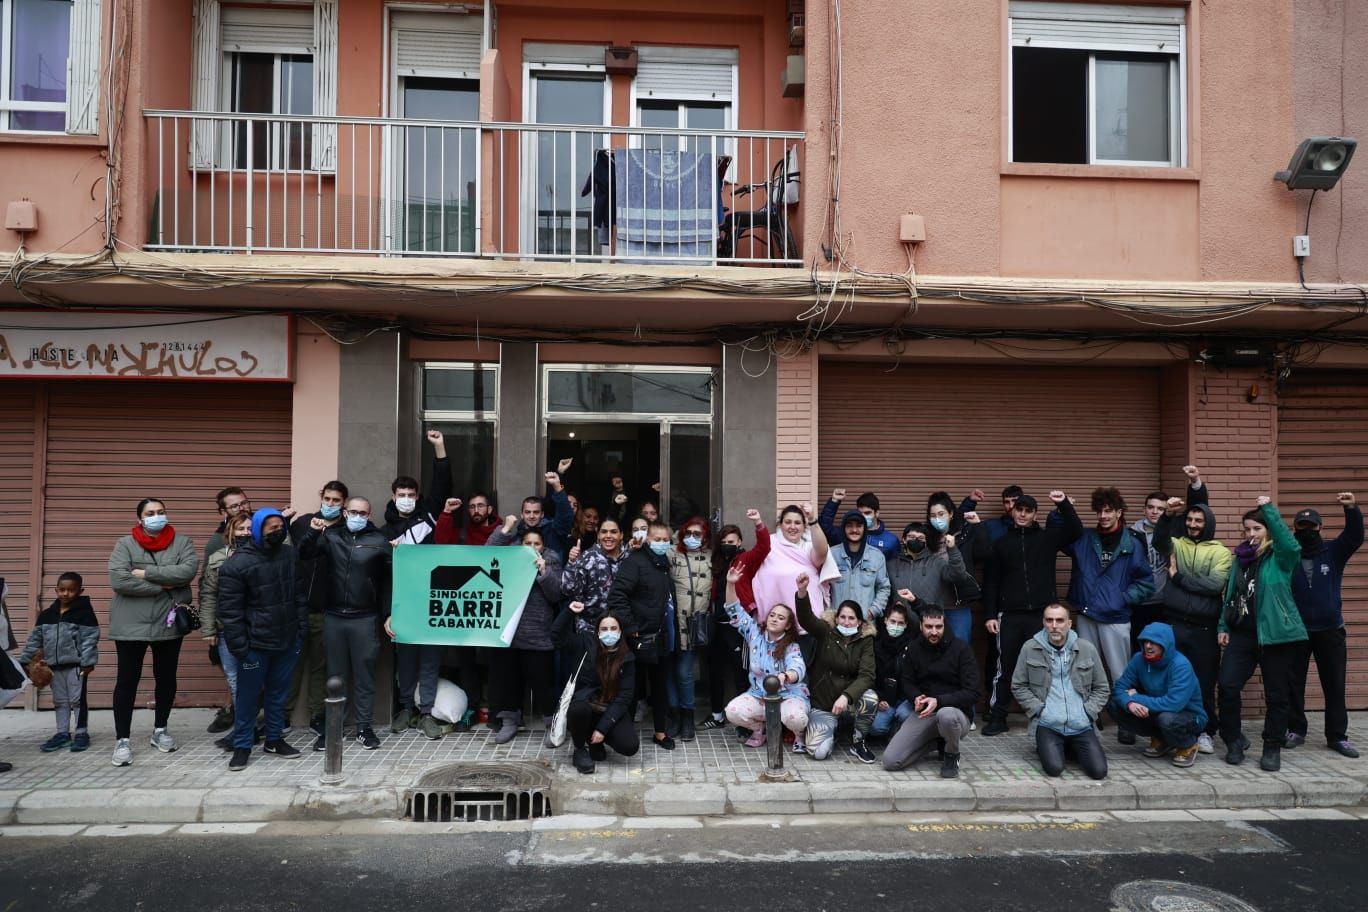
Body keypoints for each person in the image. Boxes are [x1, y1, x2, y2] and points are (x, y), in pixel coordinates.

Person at [1218, 496, 1308, 771]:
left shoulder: (1281, 557)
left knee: (1277, 695)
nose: (1251, 534)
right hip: (1243, 634)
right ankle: (1233, 740)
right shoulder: (1240, 559)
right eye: (1247, 529)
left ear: (1267, 529)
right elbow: (1231, 595)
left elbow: (1291, 543)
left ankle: (1272, 747)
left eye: (1257, 529)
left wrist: (1270, 511)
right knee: (1228, 685)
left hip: (1276, 635)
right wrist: (1223, 625)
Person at [982, 490, 1081, 736]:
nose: (1023, 514)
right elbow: (991, 582)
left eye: (1028, 511)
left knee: (1046, 665)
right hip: (1010, 615)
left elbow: (1076, 530)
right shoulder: (1001, 544)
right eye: (1019, 510)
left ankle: (1048, 714)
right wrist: (990, 615)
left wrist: (1063, 504)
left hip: (1042, 615)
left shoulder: (1047, 538)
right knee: (1004, 667)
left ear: (1035, 514)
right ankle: (998, 715)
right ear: (1013, 512)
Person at [107, 497, 198, 767]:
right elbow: (119, 580)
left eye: (160, 512)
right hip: (129, 624)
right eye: (150, 513)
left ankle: (161, 730)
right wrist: (164, 586)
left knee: (166, 678)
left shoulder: (182, 542)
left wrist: (144, 573)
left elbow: (187, 571)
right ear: (140, 518)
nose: (156, 516)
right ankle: (122, 739)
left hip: (167, 622)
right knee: (127, 681)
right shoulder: (125, 543)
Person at [298, 496, 393, 751]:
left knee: (364, 675)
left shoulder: (379, 541)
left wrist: (388, 613)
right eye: (353, 512)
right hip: (334, 617)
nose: (357, 516)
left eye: (362, 513)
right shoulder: (331, 536)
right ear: (345, 512)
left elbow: (388, 583)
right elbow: (304, 554)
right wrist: (312, 532)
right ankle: (333, 729)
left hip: (365, 618)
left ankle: (364, 727)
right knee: (335, 676)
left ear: (369, 515)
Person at [218, 508, 307, 770]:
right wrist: (240, 648)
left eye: (281, 526)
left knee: (278, 695)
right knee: (247, 698)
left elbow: (299, 596)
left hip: (287, 641)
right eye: (272, 527)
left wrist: (300, 633)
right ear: (258, 529)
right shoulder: (236, 564)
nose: (278, 531)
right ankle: (243, 745)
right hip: (255, 646)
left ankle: (274, 739)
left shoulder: (290, 555)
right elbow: (230, 612)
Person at [1064, 486, 1155, 744]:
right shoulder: (1085, 538)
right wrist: (1062, 510)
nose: (1103, 516)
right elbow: (1060, 537)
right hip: (1086, 613)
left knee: (1120, 672)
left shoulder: (1132, 542)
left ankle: (1127, 721)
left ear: (1119, 512)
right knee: (1085, 669)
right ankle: (1090, 717)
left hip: (1116, 618)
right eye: (1100, 511)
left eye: (1108, 511)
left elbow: (1146, 583)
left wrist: (1122, 599)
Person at [382, 431, 452, 738]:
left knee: (430, 659)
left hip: (432, 601)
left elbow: (443, 483)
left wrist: (439, 447)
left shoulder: (429, 517)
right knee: (406, 660)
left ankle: (426, 714)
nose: (407, 498)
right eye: (402, 493)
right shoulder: (383, 530)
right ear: (393, 495)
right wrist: (389, 613)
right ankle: (406, 709)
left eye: (412, 493)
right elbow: (384, 577)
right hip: (404, 607)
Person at [1152, 470, 1224, 755]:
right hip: (1175, 624)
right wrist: (1169, 517)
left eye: (1199, 520)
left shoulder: (1219, 551)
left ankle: (1205, 731)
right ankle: (1168, 732)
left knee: (1204, 682)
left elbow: (1215, 584)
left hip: (1205, 629)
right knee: (1170, 679)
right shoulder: (1178, 543)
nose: (1193, 524)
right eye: (1190, 520)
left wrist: (1179, 577)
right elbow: (1159, 542)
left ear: (1208, 524)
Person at [1286, 492, 1362, 758]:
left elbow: (1354, 537)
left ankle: (1337, 736)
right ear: (1294, 528)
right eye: (1301, 526)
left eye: (1311, 526)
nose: (1306, 530)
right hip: (1297, 630)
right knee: (1293, 683)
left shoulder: (1333, 551)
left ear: (1320, 528)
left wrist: (1351, 508)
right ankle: (1295, 730)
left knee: (1334, 684)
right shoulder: (1288, 554)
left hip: (1330, 630)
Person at [1011, 603, 1110, 779]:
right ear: (1043, 622)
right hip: (1048, 723)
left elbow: (1102, 688)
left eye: (1059, 620)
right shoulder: (1030, 648)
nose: (1054, 625)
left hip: (1081, 724)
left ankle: (1068, 747)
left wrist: (1088, 712)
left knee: (1099, 772)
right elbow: (1018, 685)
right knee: (1054, 769)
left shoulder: (1086, 648)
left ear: (1069, 624)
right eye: (1049, 620)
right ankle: (1053, 746)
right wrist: (1040, 710)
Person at [486, 522, 563, 745]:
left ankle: (552, 724)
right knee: (508, 682)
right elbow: (488, 551)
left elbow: (556, 594)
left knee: (543, 684)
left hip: (538, 634)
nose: (531, 547)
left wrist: (543, 572)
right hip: (509, 634)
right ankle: (510, 721)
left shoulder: (552, 560)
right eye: (527, 543)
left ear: (543, 546)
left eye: (536, 543)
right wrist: (506, 527)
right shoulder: (510, 558)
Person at [882, 604, 980, 777]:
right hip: (924, 713)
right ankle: (936, 743)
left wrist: (939, 701)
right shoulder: (913, 648)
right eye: (928, 627)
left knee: (946, 715)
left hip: (955, 713)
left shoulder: (961, 650)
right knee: (891, 761)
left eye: (938, 627)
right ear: (920, 626)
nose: (934, 632)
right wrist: (915, 697)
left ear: (944, 625)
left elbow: (972, 692)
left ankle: (951, 754)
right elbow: (906, 681)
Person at [286, 480, 349, 738]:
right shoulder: (302, 523)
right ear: (321, 497)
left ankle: (317, 715)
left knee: (320, 667)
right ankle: (281, 715)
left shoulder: (346, 530)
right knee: (292, 664)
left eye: (337, 500)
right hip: (298, 608)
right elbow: (298, 553)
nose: (331, 504)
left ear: (344, 502)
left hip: (328, 611)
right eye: (328, 499)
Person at [721, 565, 809, 747]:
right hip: (759, 695)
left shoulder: (791, 645)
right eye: (772, 615)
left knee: (796, 718)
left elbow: (798, 668)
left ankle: (799, 735)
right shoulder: (755, 634)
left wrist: (785, 677)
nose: (774, 619)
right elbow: (734, 610)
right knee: (733, 711)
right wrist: (730, 584)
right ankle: (759, 730)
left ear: (787, 625)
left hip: (788, 696)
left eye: (781, 617)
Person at [609, 520, 678, 750]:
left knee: (660, 687)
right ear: (647, 539)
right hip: (637, 638)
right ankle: (624, 732)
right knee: (631, 688)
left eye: (665, 540)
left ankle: (660, 732)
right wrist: (630, 626)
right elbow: (617, 596)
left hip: (661, 636)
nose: (661, 543)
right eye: (656, 539)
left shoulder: (664, 563)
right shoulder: (635, 562)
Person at [795, 576, 878, 763]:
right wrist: (802, 593)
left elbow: (867, 675)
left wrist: (847, 696)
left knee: (871, 698)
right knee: (818, 752)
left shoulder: (866, 640)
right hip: (823, 704)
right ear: (836, 617)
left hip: (849, 701)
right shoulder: (826, 631)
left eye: (851, 618)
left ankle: (858, 742)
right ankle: (833, 732)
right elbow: (806, 619)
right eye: (843, 617)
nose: (846, 622)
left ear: (859, 622)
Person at [701, 510, 769, 730]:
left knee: (741, 673)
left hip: (738, 627)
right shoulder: (717, 562)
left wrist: (758, 523)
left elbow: (764, 547)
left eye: (731, 541)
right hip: (716, 626)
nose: (727, 545)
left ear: (739, 542)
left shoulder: (744, 560)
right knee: (714, 672)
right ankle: (717, 715)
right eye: (723, 541)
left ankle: (744, 722)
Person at [552, 602, 637, 774]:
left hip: (609, 709)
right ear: (597, 631)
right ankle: (579, 749)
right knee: (578, 709)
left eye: (614, 628)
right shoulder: (585, 644)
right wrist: (568, 612)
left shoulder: (627, 657)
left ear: (620, 631)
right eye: (604, 629)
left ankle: (595, 741)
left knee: (630, 746)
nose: (609, 633)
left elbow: (624, 698)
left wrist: (602, 729)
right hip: (585, 706)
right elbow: (556, 637)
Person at [20, 572, 100, 753]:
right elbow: (35, 639)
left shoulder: (85, 615)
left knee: (78, 700)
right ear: (56, 590)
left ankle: (81, 733)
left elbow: (90, 640)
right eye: (62, 590)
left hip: (76, 666)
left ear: (80, 591)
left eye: (71, 590)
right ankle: (62, 734)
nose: (66, 594)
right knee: (60, 701)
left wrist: (88, 662)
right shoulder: (47, 615)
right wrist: (25, 661)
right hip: (54, 667)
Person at [1109, 622, 1207, 768]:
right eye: (1145, 641)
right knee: (1115, 705)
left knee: (1166, 719)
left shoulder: (1180, 665)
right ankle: (1163, 739)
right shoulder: (1138, 659)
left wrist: (1136, 697)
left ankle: (1188, 744)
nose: (1148, 646)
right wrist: (1130, 704)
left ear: (1166, 644)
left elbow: (1173, 704)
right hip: (1158, 711)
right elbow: (1119, 689)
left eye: (1154, 642)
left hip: (1188, 716)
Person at [199, 511, 257, 749]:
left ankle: (248, 729)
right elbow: (208, 595)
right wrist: (208, 628)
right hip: (226, 630)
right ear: (231, 532)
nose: (245, 533)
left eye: (249, 529)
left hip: (255, 629)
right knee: (234, 682)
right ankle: (245, 731)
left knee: (253, 681)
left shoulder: (265, 556)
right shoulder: (216, 559)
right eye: (241, 528)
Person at [887, 521, 975, 638]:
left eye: (920, 538)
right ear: (903, 539)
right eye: (911, 537)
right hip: (900, 627)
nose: (916, 540)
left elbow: (958, 575)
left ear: (926, 541)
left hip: (930, 628)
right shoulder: (891, 565)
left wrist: (953, 550)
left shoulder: (936, 562)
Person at [752, 504, 837, 624]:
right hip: (773, 624)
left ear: (804, 526)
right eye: (788, 522)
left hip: (806, 625)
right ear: (780, 525)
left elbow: (822, 552)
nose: (792, 527)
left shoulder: (808, 546)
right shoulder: (769, 544)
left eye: (797, 523)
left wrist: (812, 519)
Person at [668, 515, 713, 741]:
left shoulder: (711, 557)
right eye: (689, 533)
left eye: (698, 534)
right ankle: (674, 716)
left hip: (695, 624)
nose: (692, 538)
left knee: (684, 672)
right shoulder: (672, 553)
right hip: (671, 621)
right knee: (669, 671)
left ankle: (687, 718)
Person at [829, 509, 892, 620]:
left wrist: (872, 612)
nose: (854, 530)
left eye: (859, 526)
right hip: (837, 624)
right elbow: (823, 588)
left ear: (864, 529)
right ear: (843, 529)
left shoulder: (877, 556)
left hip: (865, 625)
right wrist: (830, 614)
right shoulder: (832, 554)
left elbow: (884, 588)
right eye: (849, 526)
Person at [870, 601, 915, 740]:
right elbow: (870, 675)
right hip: (885, 699)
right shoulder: (875, 644)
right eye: (893, 621)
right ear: (885, 620)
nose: (895, 626)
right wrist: (879, 698)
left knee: (904, 714)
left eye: (900, 623)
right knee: (876, 728)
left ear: (906, 624)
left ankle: (901, 725)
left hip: (905, 698)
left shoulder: (913, 645)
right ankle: (894, 728)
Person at [818, 489, 899, 559]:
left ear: (877, 513)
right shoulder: (848, 534)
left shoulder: (891, 540)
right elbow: (824, 527)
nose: (863, 517)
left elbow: (896, 569)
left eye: (867, 513)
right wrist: (834, 501)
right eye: (860, 513)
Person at [518, 470, 575, 560]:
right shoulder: (517, 536)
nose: (532, 516)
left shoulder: (553, 531)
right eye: (528, 512)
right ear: (522, 515)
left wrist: (557, 487)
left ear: (542, 514)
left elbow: (565, 517)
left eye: (536, 512)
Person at [204, 486, 253, 565]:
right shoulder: (218, 540)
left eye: (244, 503)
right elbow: (208, 575)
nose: (241, 508)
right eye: (234, 506)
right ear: (224, 512)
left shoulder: (264, 527)